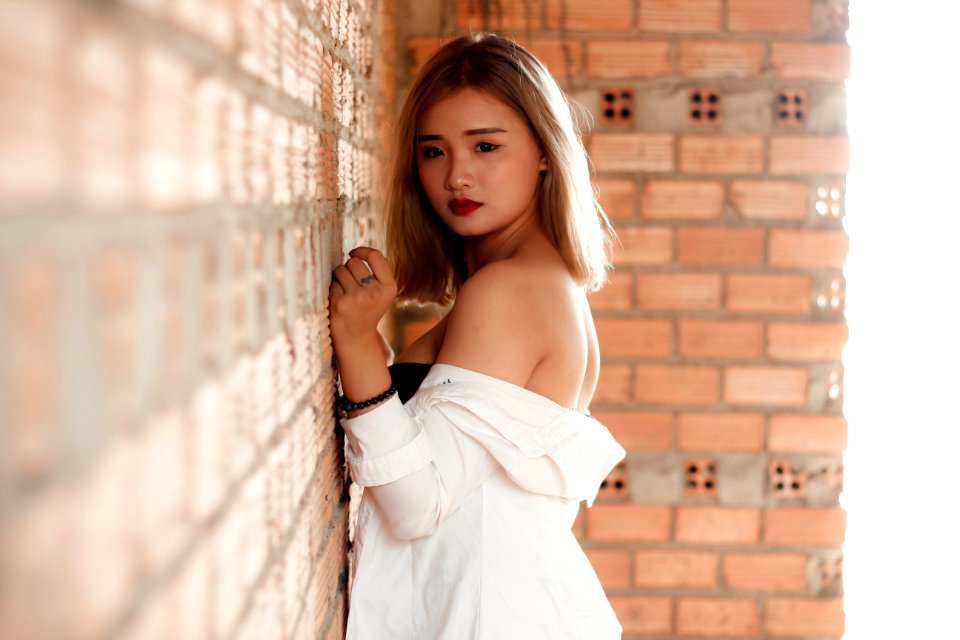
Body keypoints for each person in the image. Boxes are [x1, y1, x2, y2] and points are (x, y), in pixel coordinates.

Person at [328, 33, 626, 639]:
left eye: (486, 145)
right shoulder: (541, 281)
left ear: (545, 151)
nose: (458, 176)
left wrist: (358, 344)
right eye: (433, 151)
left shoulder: (511, 289)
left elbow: (419, 503)